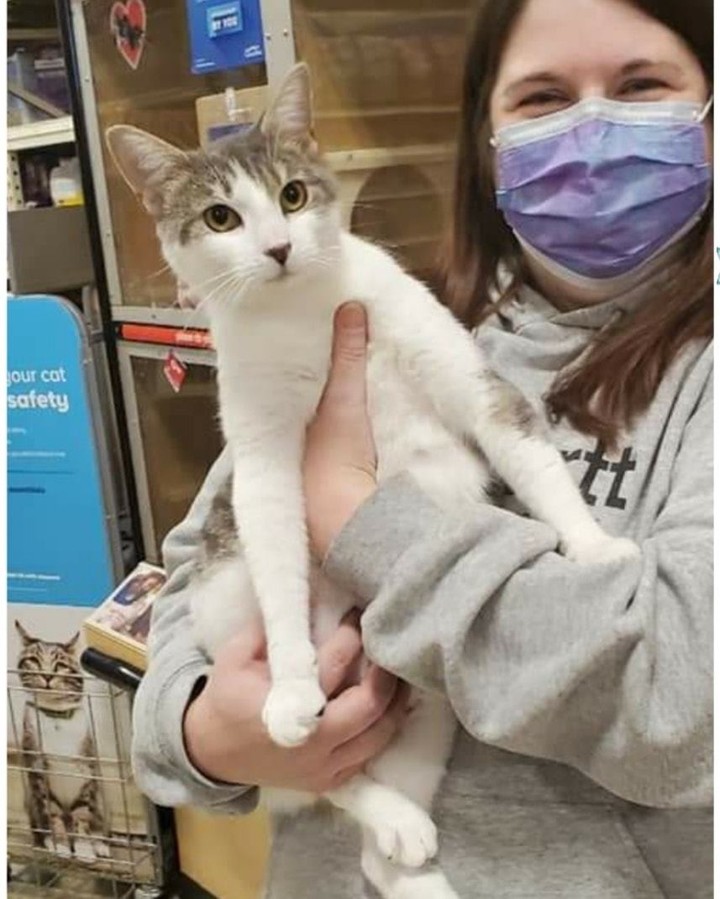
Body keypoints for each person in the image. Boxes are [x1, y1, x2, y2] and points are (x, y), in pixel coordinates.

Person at [131, 0, 713, 896]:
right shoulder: (354, 311)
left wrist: (360, 520)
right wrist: (201, 727)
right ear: (485, 139)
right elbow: (192, 576)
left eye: (640, 86)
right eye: (542, 98)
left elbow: (687, 709)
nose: (590, 131)